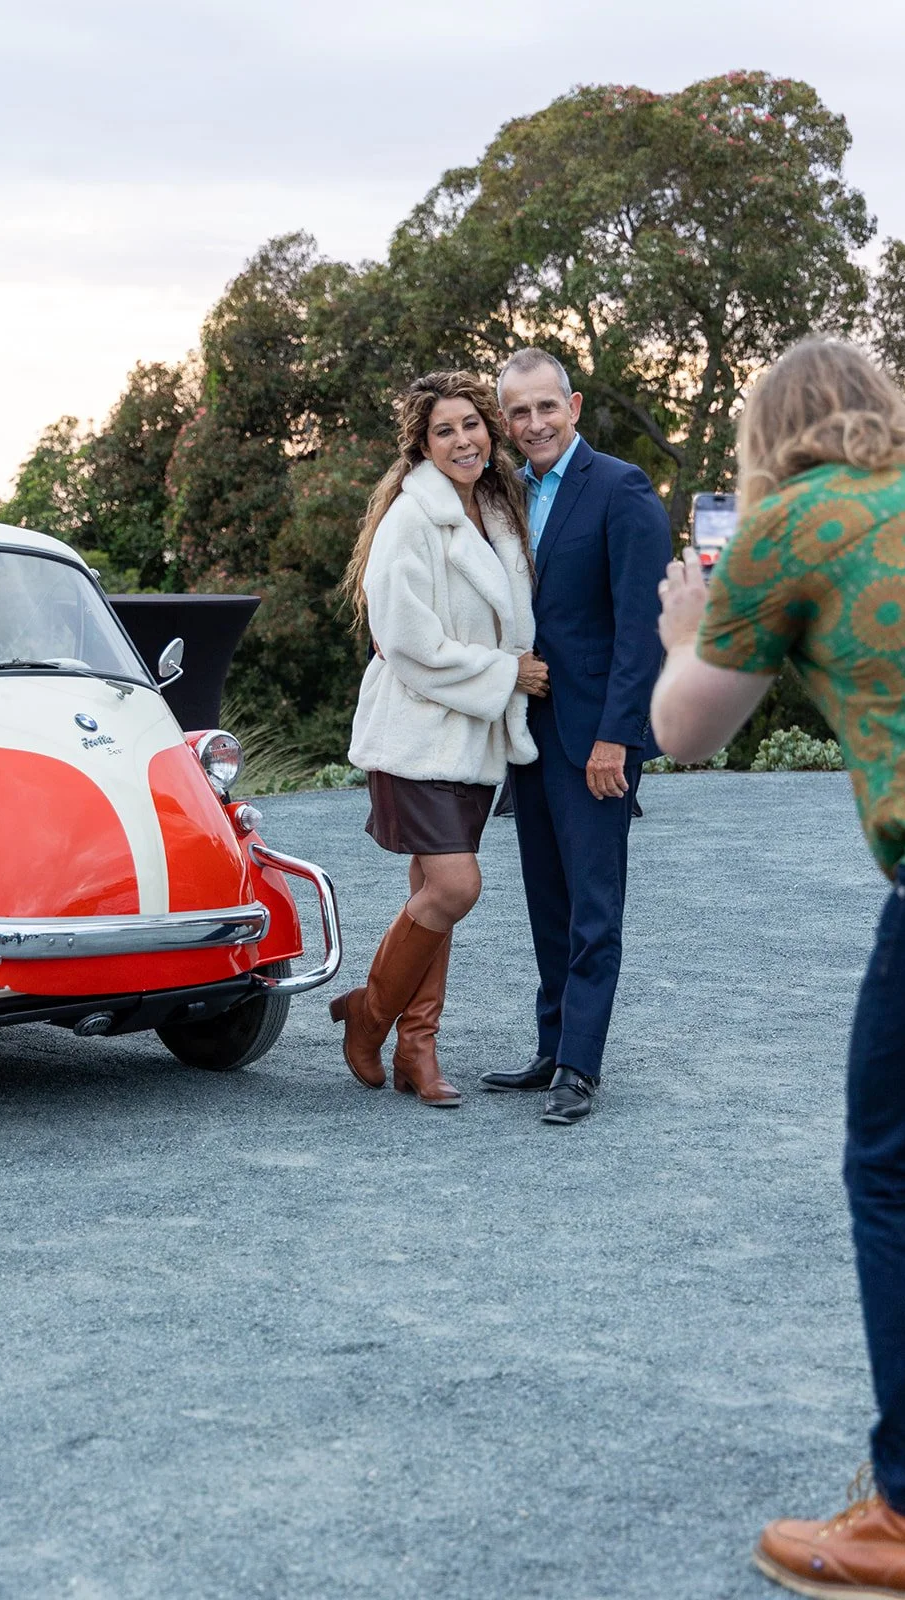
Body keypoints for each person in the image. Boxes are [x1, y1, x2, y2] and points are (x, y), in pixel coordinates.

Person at [651, 337, 905, 1598]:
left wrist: (680, 627)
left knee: (902, 1176)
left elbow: (686, 733)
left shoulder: (791, 523)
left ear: (765, 440)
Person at [331, 371, 548, 1107]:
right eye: (444, 430)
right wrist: (505, 674)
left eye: (471, 425)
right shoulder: (411, 520)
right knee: (456, 886)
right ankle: (367, 1015)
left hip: (473, 740)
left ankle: (415, 1051)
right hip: (419, 732)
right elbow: (406, 642)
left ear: (490, 432)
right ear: (421, 446)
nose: (462, 440)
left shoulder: (497, 508)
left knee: (433, 896)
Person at [479, 349, 672, 1125]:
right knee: (546, 902)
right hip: (528, 733)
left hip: (594, 739)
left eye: (545, 408)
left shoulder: (621, 490)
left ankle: (580, 1069)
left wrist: (615, 739)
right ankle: (550, 1045)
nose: (533, 425)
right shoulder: (502, 498)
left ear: (574, 406)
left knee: (594, 909)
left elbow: (642, 630)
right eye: (518, 413)